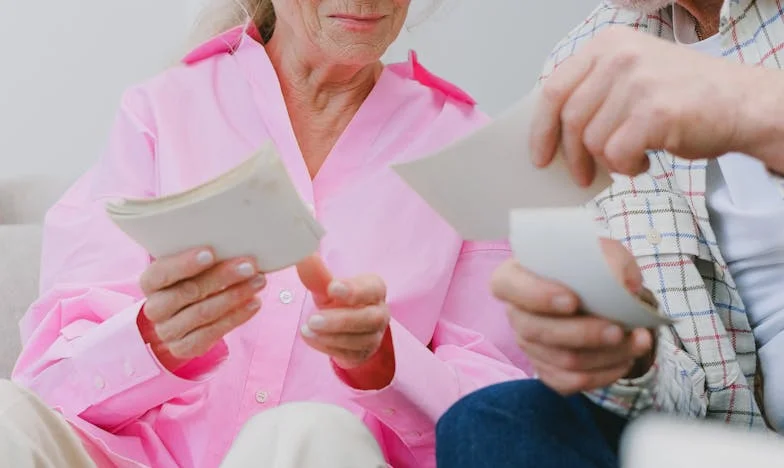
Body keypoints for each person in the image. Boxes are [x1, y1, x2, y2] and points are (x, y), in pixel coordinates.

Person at [1, 1, 529, 467]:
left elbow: (506, 421)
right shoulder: (163, 110)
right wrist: (155, 339)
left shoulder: (466, 147)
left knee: (309, 432)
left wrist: (388, 365)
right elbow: (47, 383)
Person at [436, 0, 784, 467]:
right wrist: (624, 347)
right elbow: (679, 402)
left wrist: (753, 108)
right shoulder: (588, 60)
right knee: (493, 419)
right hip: (734, 442)